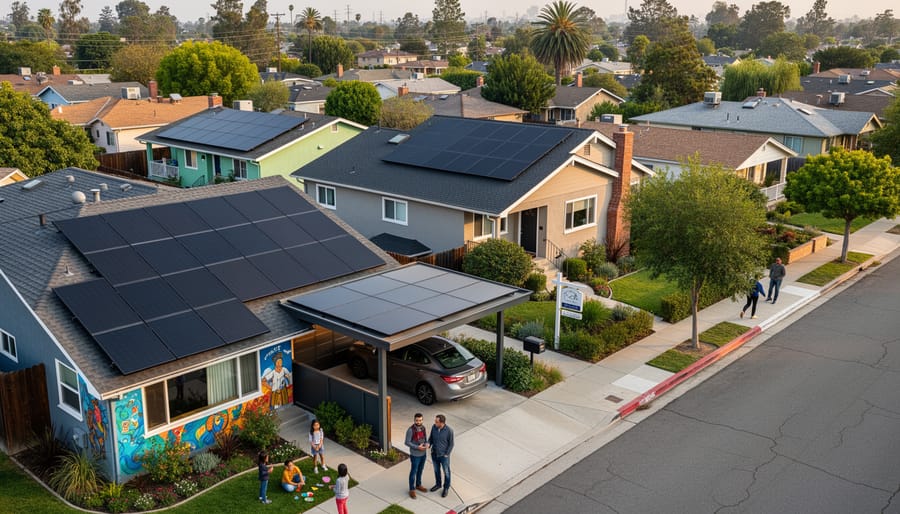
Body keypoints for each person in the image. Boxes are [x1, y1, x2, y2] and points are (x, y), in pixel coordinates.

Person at [428, 414, 454, 498]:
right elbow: (431, 438)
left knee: (446, 472)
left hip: (444, 456)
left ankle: (446, 488)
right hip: (434, 454)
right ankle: (438, 484)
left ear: (442, 423)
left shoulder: (449, 430)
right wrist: (428, 443)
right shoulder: (434, 427)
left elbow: (451, 444)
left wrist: (447, 454)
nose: (435, 423)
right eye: (435, 421)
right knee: (436, 470)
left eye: (436, 422)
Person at [405, 413, 429, 499]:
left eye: (420, 420)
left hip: (423, 454)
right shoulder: (410, 430)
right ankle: (412, 489)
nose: (418, 422)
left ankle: (418, 485)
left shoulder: (423, 428)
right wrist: (417, 447)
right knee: (413, 471)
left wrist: (427, 444)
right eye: (417, 420)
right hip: (415, 455)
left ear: (422, 420)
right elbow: (407, 442)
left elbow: (425, 439)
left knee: (420, 470)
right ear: (414, 420)